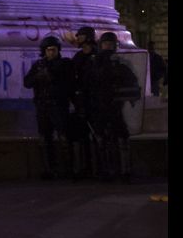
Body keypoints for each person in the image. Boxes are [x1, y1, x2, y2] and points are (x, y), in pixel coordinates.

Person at [81, 32, 141, 183]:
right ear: (101, 45)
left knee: (122, 137)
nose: (108, 46)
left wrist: (130, 95)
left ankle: (125, 171)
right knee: (101, 139)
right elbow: (86, 86)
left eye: (110, 44)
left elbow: (132, 82)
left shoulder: (120, 64)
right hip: (99, 107)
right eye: (105, 44)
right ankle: (104, 171)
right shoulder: (93, 64)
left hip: (115, 106)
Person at [23, 36, 74, 179]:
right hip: (43, 106)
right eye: (48, 50)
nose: (51, 53)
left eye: (53, 50)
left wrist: (52, 76)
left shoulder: (64, 64)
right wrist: (38, 77)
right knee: (45, 138)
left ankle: (68, 168)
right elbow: (27, 82)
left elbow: (68, 83)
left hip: (58, 106)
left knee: (64, 137)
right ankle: (49, 169)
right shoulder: (39, 65)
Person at [68, 26, 98, 178]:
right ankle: (85, 168)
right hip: (81, 102)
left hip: (96, 102)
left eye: (80, 36)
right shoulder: (78, 57)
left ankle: (99, 168)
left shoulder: (97, 56)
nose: (78, 38)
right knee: (82, 136)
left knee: (98, 136)